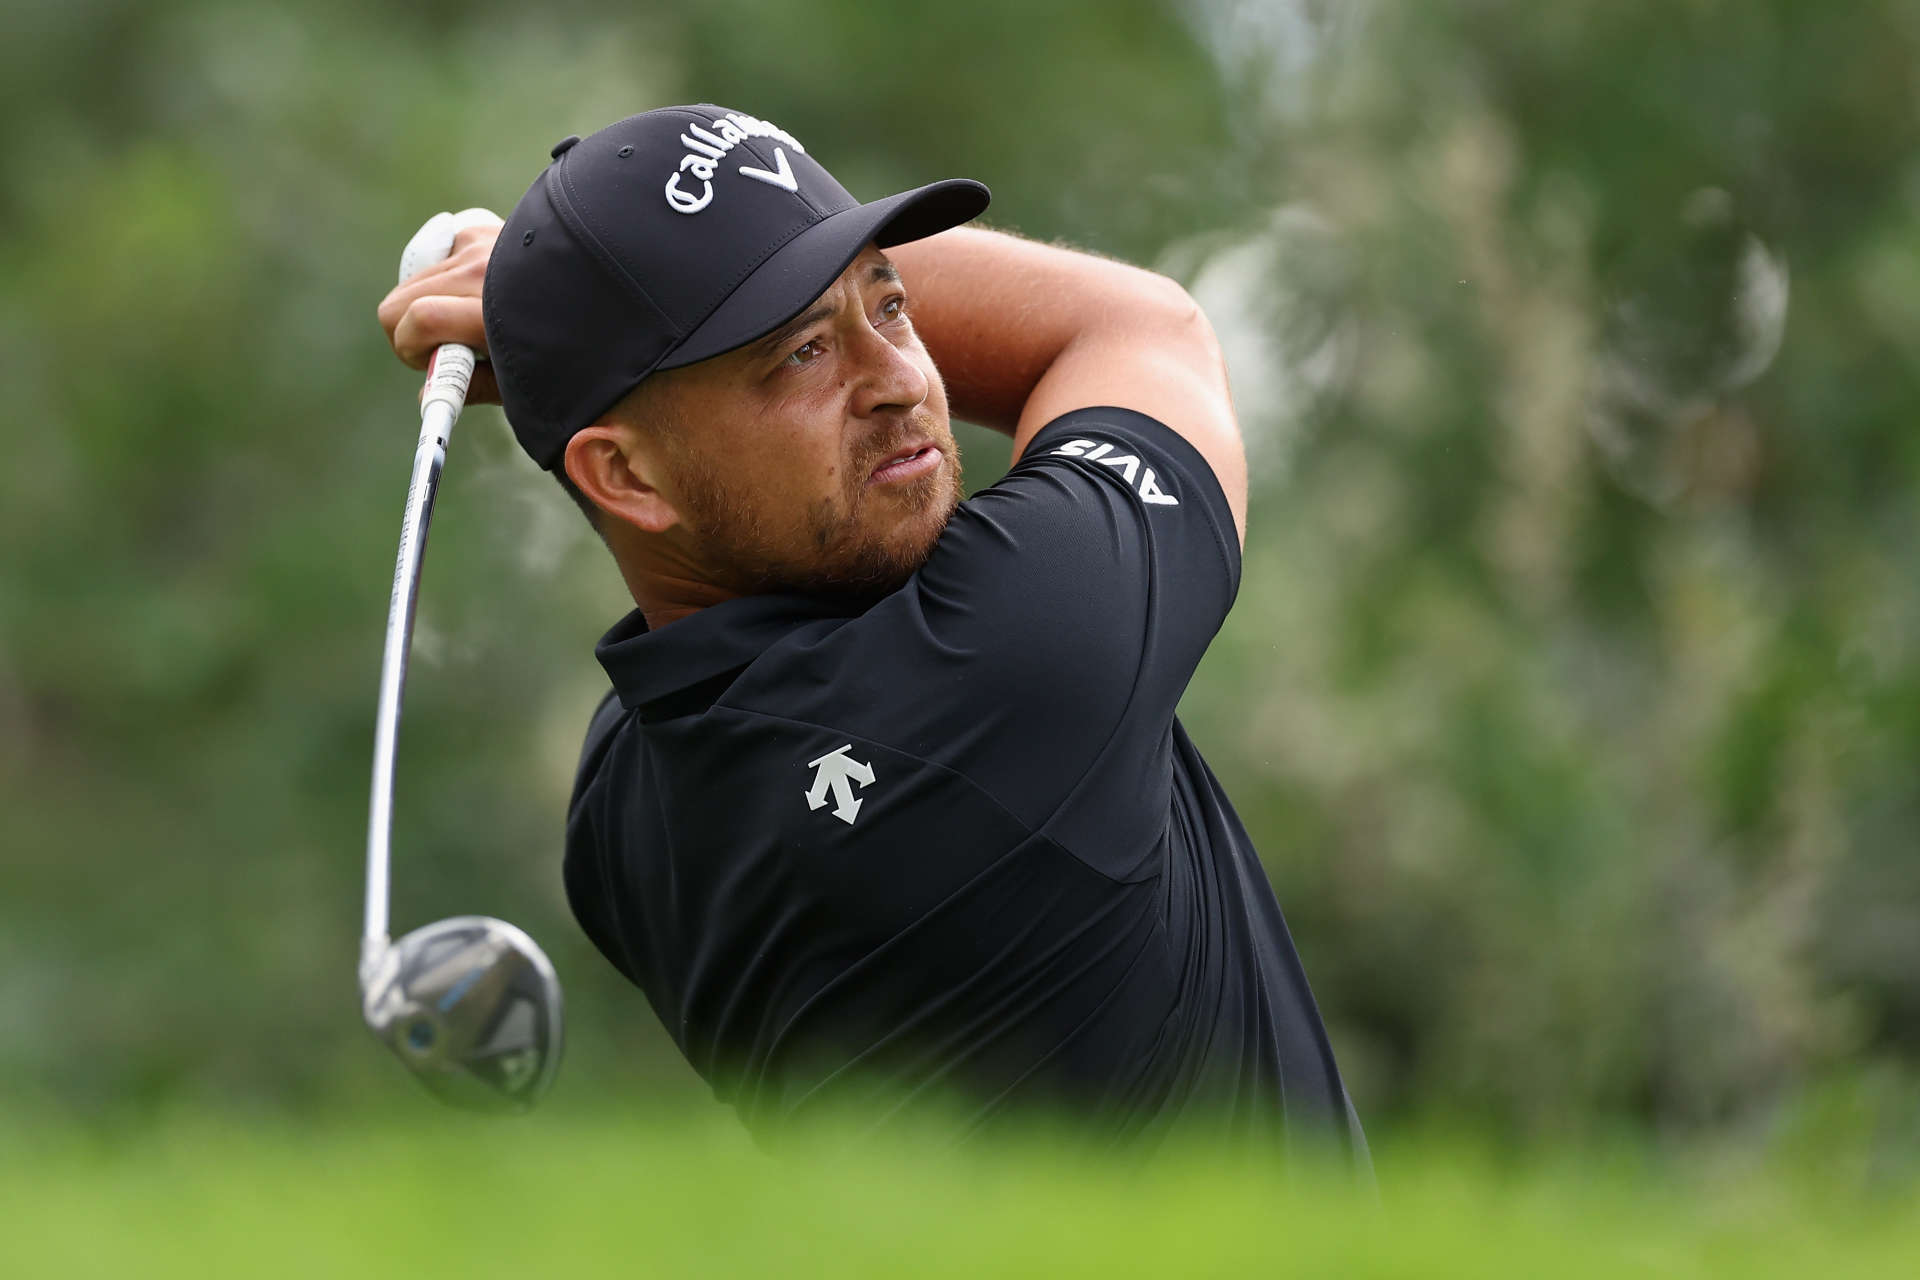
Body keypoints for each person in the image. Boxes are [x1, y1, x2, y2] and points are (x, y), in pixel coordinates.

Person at [378, 104, 1367, 1165]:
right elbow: (1137, 328)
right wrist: (541, 314)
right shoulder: (1008, 660)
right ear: (623, 473)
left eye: (889, 304)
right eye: (802, 352)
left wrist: (565, 325)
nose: (898, 378)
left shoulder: (624, 811)